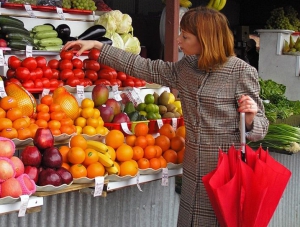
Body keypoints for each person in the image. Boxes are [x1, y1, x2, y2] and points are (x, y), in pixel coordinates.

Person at [63, 6, 269, 227]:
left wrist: (249, 120)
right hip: (192, 171)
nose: (178, 40)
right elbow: (144, 67)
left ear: (205, 40)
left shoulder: (240, 72)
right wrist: (98, 47)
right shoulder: (187, 67)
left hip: (226, 172)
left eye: (185, 36)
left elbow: (261, 127)